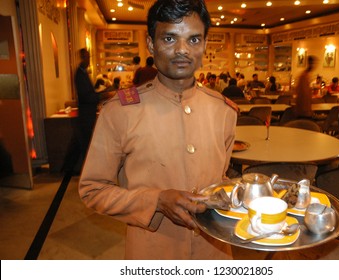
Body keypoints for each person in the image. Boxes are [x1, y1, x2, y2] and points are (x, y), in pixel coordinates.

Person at [79, 0, 238, 260]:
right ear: (152, 44)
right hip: (153, 252)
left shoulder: (224, 111)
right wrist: (156, 201)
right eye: (170, 38)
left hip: (215, 251)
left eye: (194, 39)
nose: (183, 50)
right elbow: (93, 189)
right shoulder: (119, 111)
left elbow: (220, 178)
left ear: (205, 45)